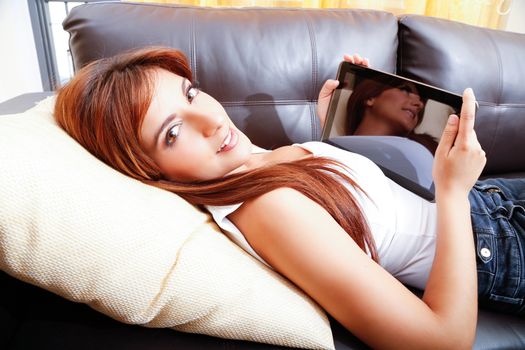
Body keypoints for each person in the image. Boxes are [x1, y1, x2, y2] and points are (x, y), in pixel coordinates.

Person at [54, 46, 525, 349]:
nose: (212, 121)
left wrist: (331, 133)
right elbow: (441, 342)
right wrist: (453, 191)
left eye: (191, 93)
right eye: (173, 132)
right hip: (497, 238)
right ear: (145, 169)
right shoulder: (267, 210)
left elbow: (340, 205)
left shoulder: (241, 166)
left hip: (491, 198)